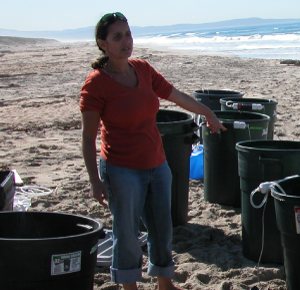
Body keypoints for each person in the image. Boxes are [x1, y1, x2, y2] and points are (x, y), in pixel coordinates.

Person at [79, 12, 225, 290]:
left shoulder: (142, 69)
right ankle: (129, 286)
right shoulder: (96, 83)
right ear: (103, 44)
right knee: (126, 232)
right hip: (121, 169)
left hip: (157, 164)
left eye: (128, 34)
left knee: (161, 228)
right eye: (117, 37)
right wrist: (95, 181)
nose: (126, 41)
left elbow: (176, 95)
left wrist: (208, 112)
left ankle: (164, 284)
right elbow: (88, 137)